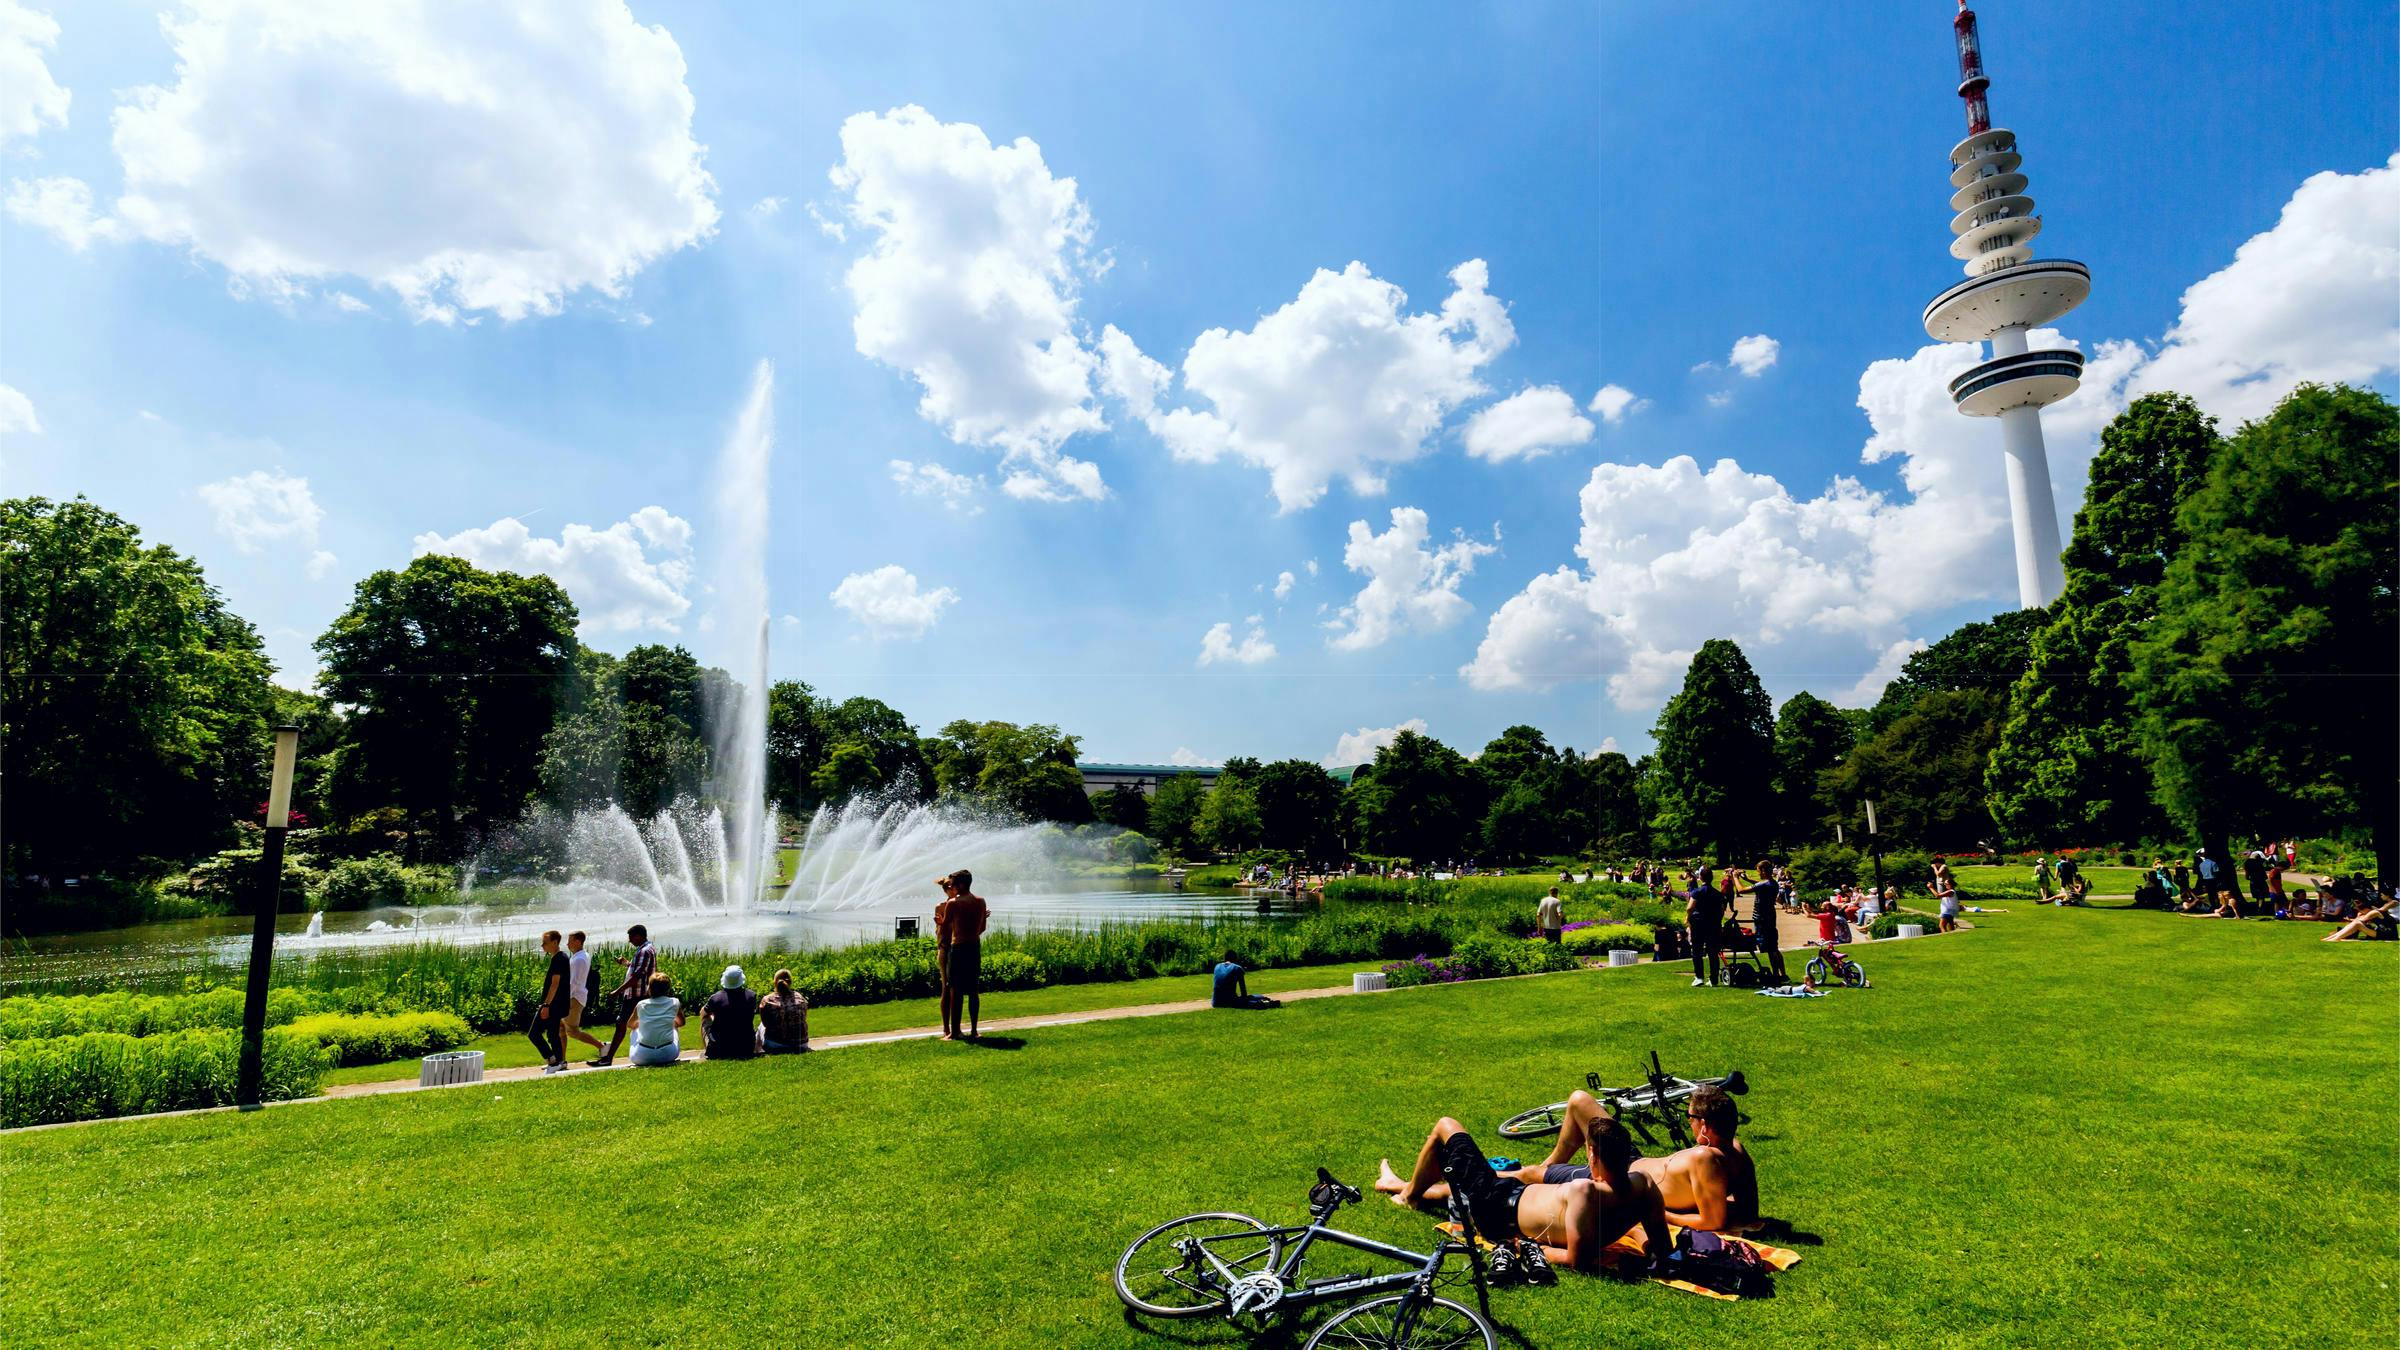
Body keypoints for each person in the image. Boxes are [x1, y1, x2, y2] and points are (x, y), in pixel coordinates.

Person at [1373, 1111, 1669, 1275]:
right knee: (1461, 1183)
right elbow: (1663, 1247)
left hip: (1496, 1208)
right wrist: (1642, 1251)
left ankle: (1408, 1197)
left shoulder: (1585, 1192)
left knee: (1446, 1127)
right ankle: (1400, 1186)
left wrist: (1525, 1247)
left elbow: (1577, 1261)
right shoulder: (1643, 1184)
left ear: (1591, 1154)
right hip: (1510, 1194)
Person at [1627, 1084, 1758, 1233]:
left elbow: (1712, 1222)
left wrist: (1661, 1213)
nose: (1689, 1123)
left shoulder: (1704, 1158)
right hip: (1630, 1166)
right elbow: (1749, 1210)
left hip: (1627, 1176)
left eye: (1690, 1117)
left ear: (1703, 1124)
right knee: (1603, 1119)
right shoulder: (1737, 1150)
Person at [593, 923, 659, 1067]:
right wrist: (627, 964)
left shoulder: (644, 951)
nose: (629, 940)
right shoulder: (647, 949)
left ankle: (608, 1058)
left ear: (639, 936)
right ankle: (610, 1057)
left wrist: (617, 991)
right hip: (638, 994)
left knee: (621, 1023)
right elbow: (640, 970)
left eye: (631, 937)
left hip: (637, 995)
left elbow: (637, 976)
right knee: (634, 1024)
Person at [938, 868, 989, 1040]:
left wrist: (940, 922)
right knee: (973, 990)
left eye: (953, 884)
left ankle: (955, 1032)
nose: (951, 887)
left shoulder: (953, 903)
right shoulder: (980, 901)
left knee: (956, 990)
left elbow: (945, 927)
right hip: (974, 947)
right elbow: (982, 927)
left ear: (960, 885)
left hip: (958, 948)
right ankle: (974, 1031)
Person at [527, 930, 569, 1074]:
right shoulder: (560, 957)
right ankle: (558, 1061)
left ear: (555, 942)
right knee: (552, 1034)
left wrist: (546, 1005)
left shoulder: (559, 959)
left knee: (534, 1033)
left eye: (545, 942)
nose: (542, 945)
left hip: (553, 1005)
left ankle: (554, 1060)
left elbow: (555, 984)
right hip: (555, 1004)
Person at [560, 930, 604, 1058]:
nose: (567, 944)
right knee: (561, 1028)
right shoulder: (580, 956)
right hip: (575, 997)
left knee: (572, 1031)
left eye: (570, 941)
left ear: (578, 941)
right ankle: (560, 1059)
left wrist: (564, 998)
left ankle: (602, 1046)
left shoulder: (579, 959)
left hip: (574, 998)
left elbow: (574, 982)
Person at [701, 965, 758, 1060]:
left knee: (705, 1019)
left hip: (720, 1048)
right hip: (746, 1047)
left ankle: (709, 1049)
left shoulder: (715, 998)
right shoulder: (751, 996)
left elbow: (703, 1013)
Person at [627, 973, 683, 1067]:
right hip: (669, 1054)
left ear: (650, 988)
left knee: (635, 1029)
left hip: (641, 1057)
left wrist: (641, 1024)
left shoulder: (641, 1004)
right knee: (674, 1027)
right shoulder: (674, 1002)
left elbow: (630, 1024)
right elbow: (681, 1022)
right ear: (668, 988)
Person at [1685, 867, 1726, 989]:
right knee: (1713, 951)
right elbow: (1722, 910)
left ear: (1700, 877)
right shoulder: (1717, 893)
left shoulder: (1697, 892)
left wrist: (1688, 917)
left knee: (1697, 950)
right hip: (1713, 923)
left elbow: (1690, 907)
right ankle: (1713, 979)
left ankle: (1699, 977)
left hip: (1698, 923)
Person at [1747, 862, 1786, 983]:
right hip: (1770, 917)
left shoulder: (1764, 884)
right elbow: (1759, 884)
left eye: (1759, 871)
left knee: (1770, 948)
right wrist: (1747, 879)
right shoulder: (1773, 883)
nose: (1758, 873)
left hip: (1761, 919)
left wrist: (1735, 877)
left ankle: (1776, 976)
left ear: (1763, 870)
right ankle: (1782, 975)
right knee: (1774, 947)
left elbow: (1741, 890)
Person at [758, 968, 810, 1053]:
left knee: (761, 1026)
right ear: (790, 982)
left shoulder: (767, 1000)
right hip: (801, 1044)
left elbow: (765, 1023)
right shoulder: (800, 997)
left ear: (775, 982)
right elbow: (804, 1017)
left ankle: (757, 1051)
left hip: (776, 1044)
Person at [1211, 952, 1280, 1009]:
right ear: (1235, 959)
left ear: (1224, 958)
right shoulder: (1237, 968)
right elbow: (1243, 991)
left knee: (1256, 997)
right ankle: (1267, 1003)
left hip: (1216, 1002)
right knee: (1256, 998)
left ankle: (1263, 1000)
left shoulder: (1217, 966)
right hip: (1230, 1002)